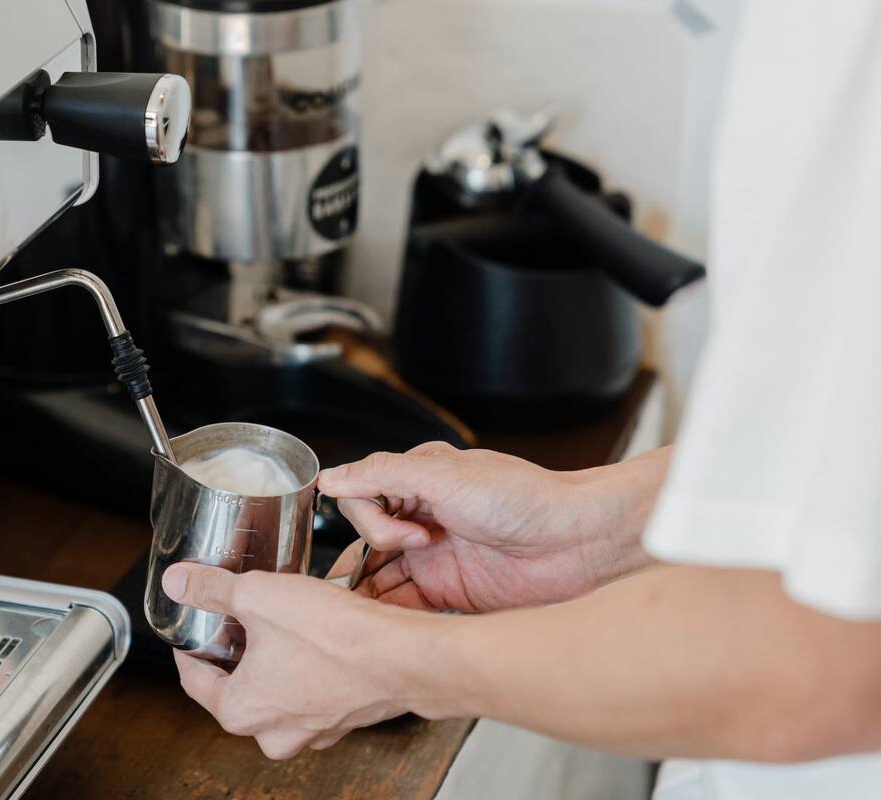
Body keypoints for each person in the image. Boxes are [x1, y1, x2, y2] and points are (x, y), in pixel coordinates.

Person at [159, 2, 881, 797]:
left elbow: (824, 663)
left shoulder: (842, 52)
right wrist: (588, 526)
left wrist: (389, 664)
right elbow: (846, 466)